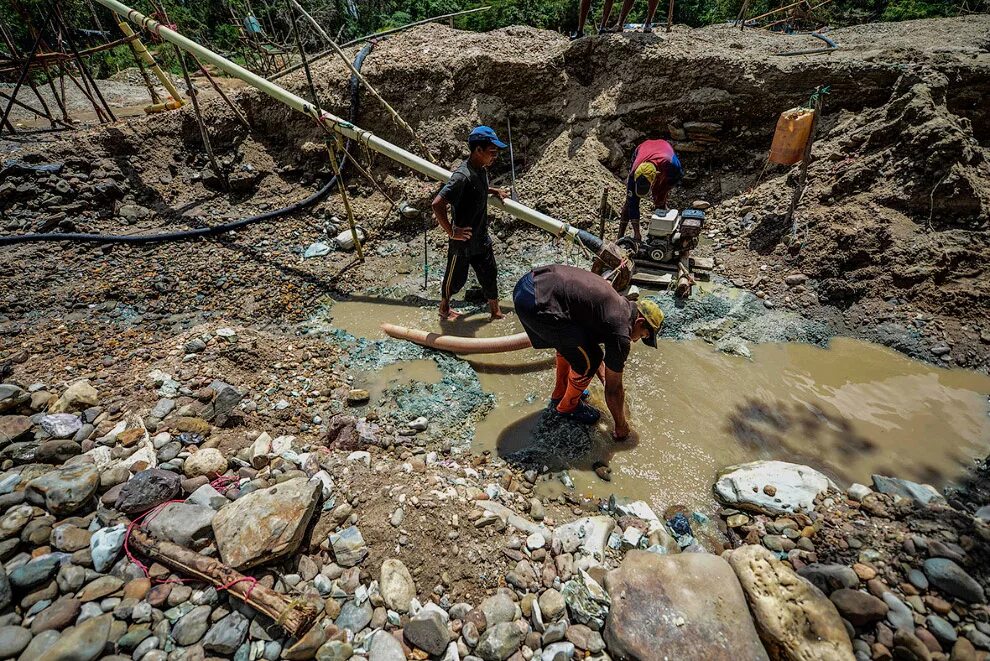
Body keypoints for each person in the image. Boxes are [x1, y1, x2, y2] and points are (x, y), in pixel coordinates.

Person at [512, 264, 664, 440]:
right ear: (639, 321)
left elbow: (589, 346)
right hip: (539, 304)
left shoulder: (615, 305)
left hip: (528, 286)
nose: (636, 340)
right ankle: (568, 406)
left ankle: (560, 394)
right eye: (643, 335)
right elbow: (613, 390)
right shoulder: (621, 331)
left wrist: (606, 378)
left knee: (575, 346)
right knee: (589, 360)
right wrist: (621, 425)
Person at [433, 126, 512, 321]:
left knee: (490, 275)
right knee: (456, 280)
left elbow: (479, 188)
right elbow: (437, 204)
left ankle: (495, 312)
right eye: (492, 152)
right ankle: (444, 308)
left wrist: (494, 192)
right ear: (478, 150)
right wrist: (452, 232)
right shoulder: (461, 176)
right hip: (462, 242)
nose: (495, 157)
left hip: (481, 238)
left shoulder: (481, 170)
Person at [617, 139, 684, 242]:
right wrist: (637, 233)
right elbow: (633, 204)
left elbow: (676, 177)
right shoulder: (633, 173)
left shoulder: (672, 165)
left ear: (655, 178)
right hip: (642, 149)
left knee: (659, 198)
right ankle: (619, 236)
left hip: (664, 152)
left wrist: (662, 193)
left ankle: (662, 233)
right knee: (630, 200)